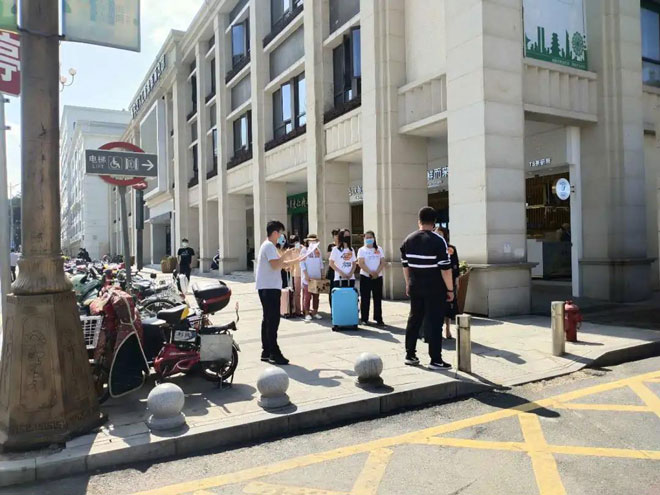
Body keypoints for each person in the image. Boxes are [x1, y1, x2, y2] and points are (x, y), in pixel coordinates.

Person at [400, 207, 454, 370]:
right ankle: (435, 359)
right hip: (434, 287)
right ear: (434, 222)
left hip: (415, 285)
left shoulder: (408, 240)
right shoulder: (438, 241)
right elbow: (445, 269)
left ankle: (410, 354)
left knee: (414, 319)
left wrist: (408, 283)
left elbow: (405, 266)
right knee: (435, 322)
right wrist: (450, 290)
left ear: (419, 221)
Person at [255, 220, 304, 365]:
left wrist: (298, 259)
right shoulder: (269, 246)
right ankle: (274, 353)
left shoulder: (268, 246)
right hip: (269, 288)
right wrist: (286, 254)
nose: (282, 236)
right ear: (275, 233)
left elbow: (281, 264)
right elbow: (276, 264)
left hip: (267, 287)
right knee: (272, 320)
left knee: (267, 319)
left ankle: (266, 351)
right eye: (281, 233)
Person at [357, 231, 385, 326]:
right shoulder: (362, 250)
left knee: (377, 298)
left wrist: (377, 272)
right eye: (367, 237)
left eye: (370, 237)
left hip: (378, 276)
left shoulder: (379, 249)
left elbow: (382, 262)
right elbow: (361, 263)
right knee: (365, 298)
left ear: (374, 238)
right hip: (365, 276)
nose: (369, 239)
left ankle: (378, 318)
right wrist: (370, 272)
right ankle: (364, 318)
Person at [436, 227, 459, 339]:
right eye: (436, 233)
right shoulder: (433, 247)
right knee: (438, 307)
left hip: (449, 280)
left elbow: (455, 265)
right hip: (437, 281)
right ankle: (438, 330)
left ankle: (448, 329)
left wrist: (456, 280)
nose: (438, 236)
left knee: (449, 307)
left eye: (440, 234)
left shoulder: (451, 248)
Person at [301, 234, 324, 322]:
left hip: (317, 276)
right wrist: (306, 274)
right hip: (308, 277)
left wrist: (322, 274)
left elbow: (321, 263)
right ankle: (306, 313)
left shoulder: (318, 250)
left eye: (314, 241)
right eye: (311, 240)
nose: (313, 242)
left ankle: (315, 311)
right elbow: (302, 263)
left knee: (316, 296)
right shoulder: (304, 250)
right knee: (307, 296)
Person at [289, 234, 303, 316]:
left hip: (304, 273)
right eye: (293, 243)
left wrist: (299, 250)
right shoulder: (292, 251)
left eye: (296, 242)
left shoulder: (303, 249)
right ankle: (298, 310)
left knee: (306, 293)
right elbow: (291, 264)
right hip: (296, 273)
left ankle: (305, 309)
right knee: (297, 293)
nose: (295, 244)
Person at [326, 229, 340, 307]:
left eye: (338, 235)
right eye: (335, 235)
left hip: (340, 269)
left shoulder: (343, 246)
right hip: (332, 270)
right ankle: (332, 306)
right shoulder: (331, 246)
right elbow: (329, 257)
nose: (337, 237)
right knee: (331, 289)